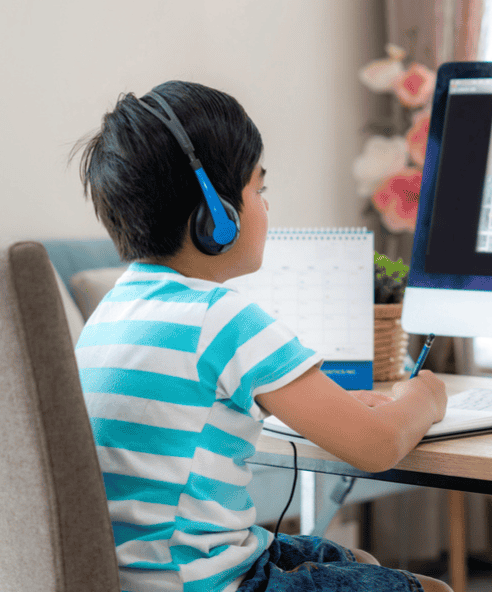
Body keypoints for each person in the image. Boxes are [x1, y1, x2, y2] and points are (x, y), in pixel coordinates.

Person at [73, 80, 451, 592]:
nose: (266, 208)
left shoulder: (110, 312)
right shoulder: (221, 316)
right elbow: (378, 447)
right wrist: (424, 398)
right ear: (216, 216)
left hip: (136, 578)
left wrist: (329, 405)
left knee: (357, 560)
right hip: (205, 581)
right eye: (259, 190)